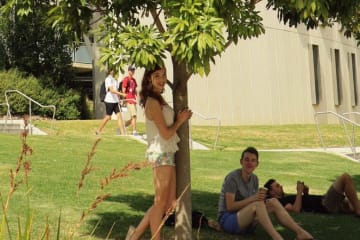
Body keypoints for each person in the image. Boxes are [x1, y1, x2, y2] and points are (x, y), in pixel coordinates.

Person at [125, 65, 193, 240]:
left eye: (163, 75)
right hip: (160, 153)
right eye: (157, 76)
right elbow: (166, 133)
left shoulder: (159, 99)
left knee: (168, 205)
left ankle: (135, 236)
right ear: (149, 79)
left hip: (167, 153)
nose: (162, 79)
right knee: (160, 204)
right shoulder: (153, 102)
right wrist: (180, 120)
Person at [217, 147, 314, 240]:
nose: (249, 163)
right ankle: (277, 237)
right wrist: (254, 199)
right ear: (241, 161)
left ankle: (301, 233)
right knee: (258, 204)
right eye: (246, 159)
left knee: (273, 201)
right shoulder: (232, 178)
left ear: (257, 164)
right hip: (228, 220)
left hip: (245, 220)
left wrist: (259, 200)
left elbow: (253, 204)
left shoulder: (254, 179)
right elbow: (230, 207)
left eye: (253, 160)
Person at [264, 173, 360, 217]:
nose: (280, 186)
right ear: (272, 192)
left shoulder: (285, 198)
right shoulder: (280, 202)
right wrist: (299, 192)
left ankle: (356, 209)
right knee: (345, 177)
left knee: (353, 203)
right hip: (325, 204)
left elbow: (304, 204)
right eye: (277, 186)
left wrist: (305, 193)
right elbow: (295, 210)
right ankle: (358, 210)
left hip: (325, 201)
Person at [95, 68, 126, 135]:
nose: (113, 71)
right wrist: (122, 94)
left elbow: (116, 90)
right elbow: (112, 90)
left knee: (119, 116)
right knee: (108, 117)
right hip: (109, 101)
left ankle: (123, 134)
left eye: (114, 70)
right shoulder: (108, 79)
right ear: (109, 71)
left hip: (116, 101)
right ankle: (98, 131)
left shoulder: (115, 80)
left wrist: (119, 98)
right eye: (112, 70)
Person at [122, 65, 138, 135]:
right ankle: (134, 131)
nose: (132, 71)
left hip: (133, 100)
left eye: (133, 70)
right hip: (129, 100)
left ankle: (122, 126)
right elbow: (123, 90)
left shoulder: (134, 80)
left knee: (133, 117)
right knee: (134, 116)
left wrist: (137, 97)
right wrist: (124, 100)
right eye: (131, 70)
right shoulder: (126, 79)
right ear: (128, 71)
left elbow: (135, 90)